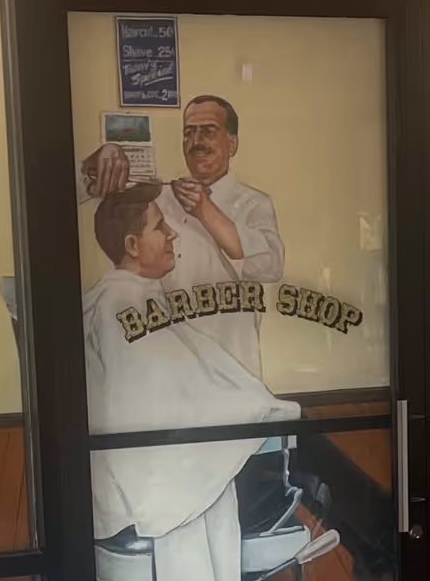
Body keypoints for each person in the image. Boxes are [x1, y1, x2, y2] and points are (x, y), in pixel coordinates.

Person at [82, 184, 298, 581]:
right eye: (161, 229)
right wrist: (259, 409)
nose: (174, 237)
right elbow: (168, 402)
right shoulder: (128, 304)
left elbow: (175, 389)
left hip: (138, 466)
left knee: (278, 426)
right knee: (294, 440)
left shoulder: (117, 295)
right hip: (153, 477)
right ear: (133, 246)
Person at [79, 93, 283, 375]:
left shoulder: (253, 204)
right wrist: (94, 166)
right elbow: (76, 199)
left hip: (233, 369)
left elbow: (271, 267)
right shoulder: (157, 199)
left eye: (208, 132)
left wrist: (206, 210)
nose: (196, 141)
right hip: (169, 369)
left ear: (232, 143)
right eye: (189, 133)